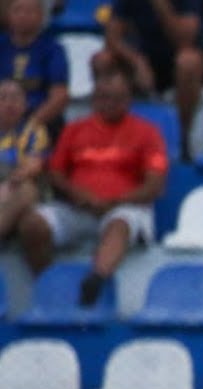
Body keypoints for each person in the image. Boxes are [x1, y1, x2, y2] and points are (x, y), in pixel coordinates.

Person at [15, 70, 164, 305]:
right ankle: (47, 281)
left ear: (128, 100)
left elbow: (155, 185)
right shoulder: (74, 130)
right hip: (78, 207)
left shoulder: (147, 133)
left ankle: (95, 280)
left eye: (117, 98)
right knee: (32, 224)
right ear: (94, 99)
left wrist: (114, 201)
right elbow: (55, 172)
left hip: (124, 207)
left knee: (120, 224)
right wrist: (79, 195)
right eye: (103, 97)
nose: (109, 104)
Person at [93, 0, 203, 160]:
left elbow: (185, 40)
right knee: (102, 59)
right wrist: (135, 61)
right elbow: (112, 37)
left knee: (188, 62)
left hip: (182, 57)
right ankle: (102, 133)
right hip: (146, 57)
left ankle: (184, 139)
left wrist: (161, 6)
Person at [0, 0, 67, 137]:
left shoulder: (53, 49)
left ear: (41, 16)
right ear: (8, 15)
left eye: (30, 11)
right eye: (18, 11)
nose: (23, 16)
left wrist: (28, 127)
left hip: (39, 121)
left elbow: (60, 96)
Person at [0, 78, 45, 242]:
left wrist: (11, 182)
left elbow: (35, 165)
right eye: (3, 98)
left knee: (26, 190)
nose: (9, 103)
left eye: (15, 98)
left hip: (17, 188)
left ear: (25, 104)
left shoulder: (33, 130)